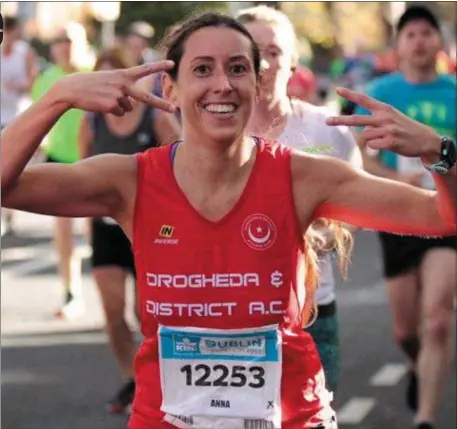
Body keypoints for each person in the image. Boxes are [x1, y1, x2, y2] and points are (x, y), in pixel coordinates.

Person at [1, 13, 455, 429]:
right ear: (170, 89)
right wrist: (57, 98)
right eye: (202, 69)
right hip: (166, 418)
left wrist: (441, 151)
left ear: (258, 85)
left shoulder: (303, 176)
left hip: (290, 418)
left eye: (238, 69)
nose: (222, 84)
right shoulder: (132, 180)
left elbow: (440, 216)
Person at [236, 4, 360, 395]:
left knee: (314, 411)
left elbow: (357, 208)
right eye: (253, 52)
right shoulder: (211, 137)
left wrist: (315, 237)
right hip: (234, 310)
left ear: (292, 65)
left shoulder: (329, 129)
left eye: (274, 52)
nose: (264, 63)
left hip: (311, 308)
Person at [354, 7, 456, 429]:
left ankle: (426, 418)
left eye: (426, 33)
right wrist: (396, 175)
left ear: (439, 43)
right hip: (398, 212)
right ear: (398, 46)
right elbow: (359, 156)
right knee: (405, 332)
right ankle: (420, 366)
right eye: (410, 33)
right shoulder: (381, 92)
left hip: (448, 214)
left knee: (436, 320)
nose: (418, 40)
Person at [78, 47, 181, 414]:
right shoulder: (91, 120)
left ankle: (158, 379)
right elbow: (81, 171)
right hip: (105, 227)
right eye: (101, 78)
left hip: (146, 228)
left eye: (114, 76)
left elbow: (183, 161)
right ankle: (131, 378)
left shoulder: (153, 117)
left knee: (145, 312)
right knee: (111, 310)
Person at [31, 28, 85, 320]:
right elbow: (39, 118)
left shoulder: (95, 72)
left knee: (103, 233)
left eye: (71, 41)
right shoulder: (46, 79)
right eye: (60, 42)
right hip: (61, 162)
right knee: (64, 231)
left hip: (98, 162)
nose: (65, 47)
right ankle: (70, 291)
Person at [1, 16, 39, 235]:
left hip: (16, 116)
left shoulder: (24, 52)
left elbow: (30, 82)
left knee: (9, 169)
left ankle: (9, 216)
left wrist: (14, 86)